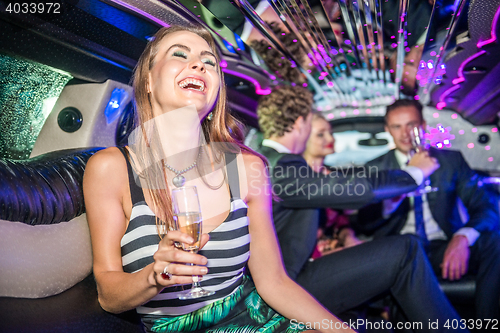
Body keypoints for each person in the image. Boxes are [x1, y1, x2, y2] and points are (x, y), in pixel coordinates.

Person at [83, 25, 361, 333]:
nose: (199, 64)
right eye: (179, 54)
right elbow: (108, 295)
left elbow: (274, 283)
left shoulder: (248, 168)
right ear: (148, 81)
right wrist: (154, 276)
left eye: (209, 61)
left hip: (259, 319)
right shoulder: (111, 168)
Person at [256, 85, 469, 332]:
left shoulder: (269, 160)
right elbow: (353, 188)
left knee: (395, 265)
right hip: (287, 283)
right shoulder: (279, 165)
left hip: (294, 270)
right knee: (405, 249)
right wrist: (414, 173)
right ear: (301, 122)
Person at [355, 99, 500, 320]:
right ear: (387, 130)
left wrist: (462, 237)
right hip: (398, 251)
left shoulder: (450, 160)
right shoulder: (375, 169)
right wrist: (391, 199)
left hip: (442, 248)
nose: (405, 134)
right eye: (397, 126)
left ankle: (488, 322)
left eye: (411, 124)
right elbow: (364, 222)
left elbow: (485, 206)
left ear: (423, 126)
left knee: (494, 240)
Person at [302, 113, 362, 257]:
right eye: (321, 134)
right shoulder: (296, 179)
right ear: (303, 138)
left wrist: (348, 237)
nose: (331, 139)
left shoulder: (333, 176)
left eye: (331, 133)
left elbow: (341, 221)